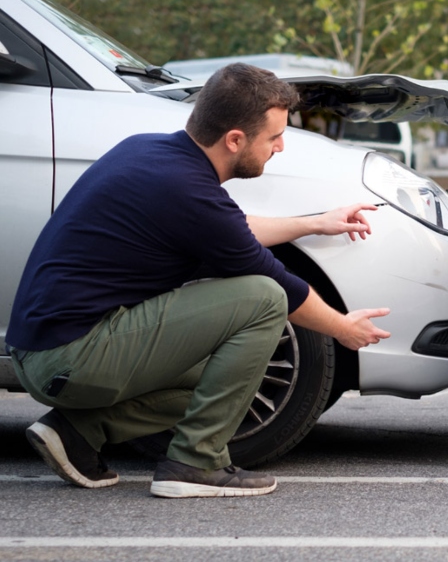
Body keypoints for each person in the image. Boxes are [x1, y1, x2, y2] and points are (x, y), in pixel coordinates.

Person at [5, 63, 391, 498]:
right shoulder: (188, 192)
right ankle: (194, 464)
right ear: (234, 140)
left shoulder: (149, 152)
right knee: (263, 297)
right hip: (69, 358)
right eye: (274, 137)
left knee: (229, 375)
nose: (281, 147)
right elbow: (279, 283)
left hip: (46, 351)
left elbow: (232, 227)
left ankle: (77, 431)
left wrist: (316, 223)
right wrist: (344, 329)